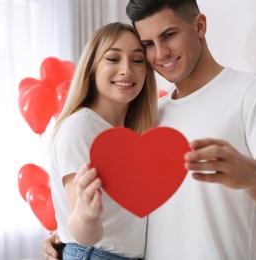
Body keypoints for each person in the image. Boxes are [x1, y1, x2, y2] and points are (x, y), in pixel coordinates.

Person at [42, 1, 256, 259]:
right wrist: (69, 237)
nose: (160, 53)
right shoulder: (149, 118)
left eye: (169, 35)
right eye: (148, 44)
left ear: (200, 26)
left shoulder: (253, 94)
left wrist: (251, 175)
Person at [47, 22, 158, 260]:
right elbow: (83, 232)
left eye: (137, 60)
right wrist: (86, 215)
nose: (127, 69)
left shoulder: (137, 134)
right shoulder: (81, 127)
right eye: (113, 59)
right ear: (92, 67)